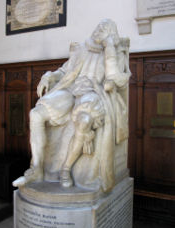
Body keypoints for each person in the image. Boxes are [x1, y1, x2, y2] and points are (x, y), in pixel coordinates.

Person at [13, 19, 131, 192]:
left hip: (94, 92)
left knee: (84, 120)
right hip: (70, 90)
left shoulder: (115, 52)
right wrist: (49, 76)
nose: (99, 30)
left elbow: (115, 78)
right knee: (36, 115)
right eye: (98, 27)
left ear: (111, 34)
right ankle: (36, 169)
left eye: (105, 30)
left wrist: (109, 47)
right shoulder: (82, 49)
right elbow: (64, 71)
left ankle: (66, 169)